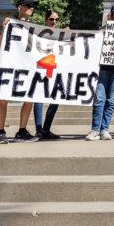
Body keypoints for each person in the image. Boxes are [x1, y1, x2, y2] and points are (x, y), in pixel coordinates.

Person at [0, 0, 38, 144]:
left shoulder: (35, 27)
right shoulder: (10, 23)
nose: (31, 7)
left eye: (33, 6)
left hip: (27, 67)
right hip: (10, 65)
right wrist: (4, 28)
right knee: (3, 99)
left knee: (29, 99)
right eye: (28, 5)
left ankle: (22, 130)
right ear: (19, 7)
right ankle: (1, 131)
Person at [88, 5, 114, 141]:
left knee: (111, 100)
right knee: (99, 99)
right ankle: (95, 129)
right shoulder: (103, 30)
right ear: (111, 15)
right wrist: (105, 27)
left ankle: (104, 129)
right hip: (104, 68)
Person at [33, 10, 63, 140]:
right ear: (46, 19)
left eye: (56, 20)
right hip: (41, 70)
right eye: (51, 19)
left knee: (55, 100)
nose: (54, 22)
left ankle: (46, 128)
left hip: (54, 71)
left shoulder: (61, 35)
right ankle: (39, 129)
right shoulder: (38, 33)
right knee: (38, 98)